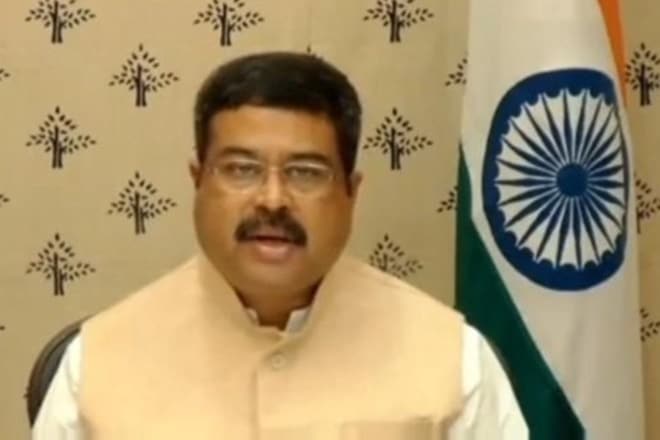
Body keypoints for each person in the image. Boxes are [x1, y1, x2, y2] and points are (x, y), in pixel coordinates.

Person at [32, 52, 528, 439]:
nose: (272, 199)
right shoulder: (94, 365)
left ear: (351, 192)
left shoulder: (454, 358)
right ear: (198, 181)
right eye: (241, 169)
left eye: (305, 173)